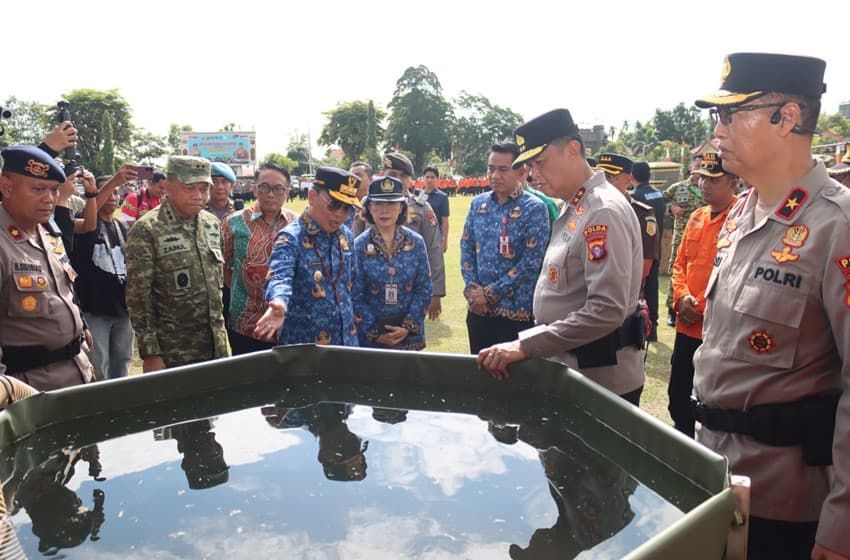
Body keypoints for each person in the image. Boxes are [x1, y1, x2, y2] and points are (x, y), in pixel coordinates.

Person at [692, 52, 849, 560]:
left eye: (730, 115)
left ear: (787, 117)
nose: (717, 132)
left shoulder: (836, 227)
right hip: (714, 477)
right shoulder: (743, 210)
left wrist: (843, 518)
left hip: (784, 505)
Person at [477, 110, 646, 405]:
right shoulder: (576, 206)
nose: (532, 174)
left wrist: (526, 345)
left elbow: (606, 309)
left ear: (572, 150)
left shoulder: (601, 211)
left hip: (599, 383)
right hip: (574, 372)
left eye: (539, 162)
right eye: (528, 165)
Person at [0, 145, 95, 390]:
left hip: (77, 372)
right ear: (6, 187)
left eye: (54, 190)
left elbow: (63, 290)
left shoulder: (49, 233)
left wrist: (80, 326)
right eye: (38, 189)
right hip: (30, 390)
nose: (49, 199)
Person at [125, 156, 229, 371]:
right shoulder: (147, 230)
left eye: (203, 189)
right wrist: (151, 352)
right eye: (189, 188)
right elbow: (138, 297)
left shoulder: (212, 224)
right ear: (168, 186)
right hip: (173, 353)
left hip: (215, 348)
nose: (198, 196)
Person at [667, 152, 738, 437]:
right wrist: (681, 297)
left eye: (714, 179)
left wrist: (703, 307)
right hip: (687, 325)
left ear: (733, 182)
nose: (705, 185)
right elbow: (680, 264)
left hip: (716, 331)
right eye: (702, 178)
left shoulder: (740, 219)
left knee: (710, 403)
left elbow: (735, 278)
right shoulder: (696, 217)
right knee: (678, 395)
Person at [254, 166, 361, 346]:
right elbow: (280, 276)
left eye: (347, 208)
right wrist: (279, 301)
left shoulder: (346, 235)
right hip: (306, 349)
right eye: (333, 205)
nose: (340, 214)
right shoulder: (290, 238)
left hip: (346, 343)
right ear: (312, 196)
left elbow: (353, 284)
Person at [460, 143, 549, 354]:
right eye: (491, 168)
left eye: (503, 169)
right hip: (478, 311)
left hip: (514, 313)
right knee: (479, 373)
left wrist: (489, 294)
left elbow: (530, 262)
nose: (495, 175)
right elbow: (466, 248)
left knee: (514, 382)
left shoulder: (534, 208)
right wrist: (473, 291)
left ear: (521, 171)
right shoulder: (478, 204)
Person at [222, 163, 298, 354]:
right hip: (246, 322)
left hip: (288, 321)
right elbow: (223, 266)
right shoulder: (234, 223)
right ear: (254, 188)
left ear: (287, 191)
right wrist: (246, 289)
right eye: (264, 187)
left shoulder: (297, 224)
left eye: (278, 189)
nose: (271, 194)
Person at [353, 176, 433, 350]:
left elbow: (424, 288)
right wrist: (376, 333)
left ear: (401, 208)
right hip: (371, 340)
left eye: (391, 204)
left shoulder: (416, 242)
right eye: (378, 204)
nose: (384, 211)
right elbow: (354, 294)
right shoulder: (358, 246)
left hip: (409, 337)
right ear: (368, 208)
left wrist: (406, 327)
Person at [72, 178, 134, 380]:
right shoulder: (85, 225)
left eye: (116, 193)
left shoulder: (122, 227)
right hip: (94, 309)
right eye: (107, 193)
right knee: (98, 365)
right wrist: (115, 179)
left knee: (122, 361)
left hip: (122, 308)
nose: (112, 197)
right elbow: (88, 211)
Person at [382, 153, 446, 320]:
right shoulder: (368, 206)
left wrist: (436, 293)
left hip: (411, 290)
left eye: (403, 176)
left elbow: (434, 249)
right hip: (374, 290)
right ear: (383, 176)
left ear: (410, 180)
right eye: (392, 175)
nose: (398, 179)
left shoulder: (422, 208)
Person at [596, 153, 660, 295]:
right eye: (601, 177)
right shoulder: (590, 210)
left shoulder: (641, 213)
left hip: (623, 295)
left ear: (629, 180)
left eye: (611, 177)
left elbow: (644, 266)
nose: (604, 183)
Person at [663, 156, 704, 326]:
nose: (699, 168)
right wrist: (671, 208)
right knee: (676, 270)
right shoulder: (678, 187)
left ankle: (696, 306)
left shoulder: (709, 187)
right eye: (697, 164)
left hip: (703, 237)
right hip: (681, 236)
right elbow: (661, 200)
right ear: (691, 167)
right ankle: (672, 310)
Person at [630, 161, 666, 341]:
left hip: (643, 248)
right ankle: (653, 326)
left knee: (640, 289)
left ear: (632, 176)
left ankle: (644, 326)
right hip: (656, 245)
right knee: (653, 286)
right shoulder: (658, 193)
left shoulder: (636, 196)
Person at [421, 166, 450, 253]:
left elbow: (445, 221)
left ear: (437, 179)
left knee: (436, 265)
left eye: (432, 177)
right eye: (427, 177)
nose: (429, 180)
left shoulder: (442, 197)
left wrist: (444, 241)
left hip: (435, 236)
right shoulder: (417, 196)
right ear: (423, 178)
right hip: (420, 235)